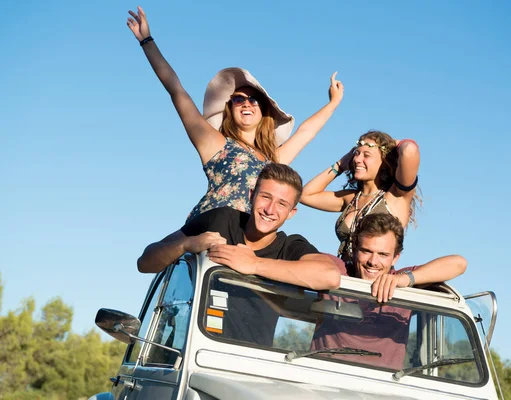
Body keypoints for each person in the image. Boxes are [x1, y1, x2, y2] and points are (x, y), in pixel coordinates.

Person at [126, 7, 344, 221]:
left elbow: (306, 132)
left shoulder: (273, 160)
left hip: (246, 243)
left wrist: (333, 103)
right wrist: (147, 41)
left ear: (264, 111)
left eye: (253, 99)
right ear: (229, 108)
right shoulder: (215, 144)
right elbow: (177, 92)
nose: (246, 103)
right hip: (208, 235)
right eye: (238, 99)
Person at [138, 163, 341, 346]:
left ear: (291, 213)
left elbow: (329, 276)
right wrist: (186, 244)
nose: (270, 210)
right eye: (265, 197)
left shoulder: (290, 246)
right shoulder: (221, 219)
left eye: (282, 204)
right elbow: (145, 262)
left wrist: (253, 264)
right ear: (251, 195)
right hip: (189, 352)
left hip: (249, 362)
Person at [311, 213, 467, 369]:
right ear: (354, 250)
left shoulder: (402, 281)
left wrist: (405, 280)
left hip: (384, 385)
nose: (373, 261)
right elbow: (295, 254)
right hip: (325, 375)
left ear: (395, 258)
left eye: (383, 254)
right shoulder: (335, 270)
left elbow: (459, 264)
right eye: (366, 251)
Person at [300, 130, 420, 264]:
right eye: (356, 154)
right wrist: (340, 165)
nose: (357, 159)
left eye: (366, 155)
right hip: (344, 276)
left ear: (385, 162)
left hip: (374, 277)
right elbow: (305, 195)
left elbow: (410, 150)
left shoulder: (396, 197)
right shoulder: (351, 198)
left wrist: (395, 144)